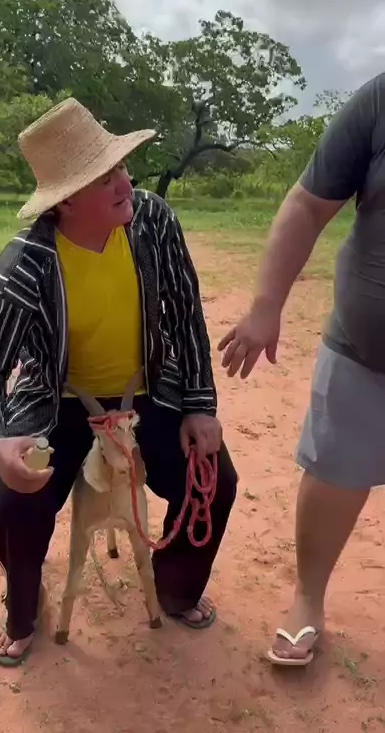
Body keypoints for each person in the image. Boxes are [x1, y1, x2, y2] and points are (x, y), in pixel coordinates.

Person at [0, 97, 238, 667]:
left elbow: (186, 316)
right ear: (65, 200)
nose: (125, 183)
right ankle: (23, 610)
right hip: (57, 401)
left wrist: (199, 405)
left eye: (122, 168)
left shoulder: (154, 221)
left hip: (149, 391)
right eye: (105, 176)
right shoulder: (26, 265)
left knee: (215, 481)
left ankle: (176, 588)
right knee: (14, 503)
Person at [218, 72, 385, 666]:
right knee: (334, 472)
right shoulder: (379, 100)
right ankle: (308, 600)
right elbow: (308, 205)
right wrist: (266, 307)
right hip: (365, 350)